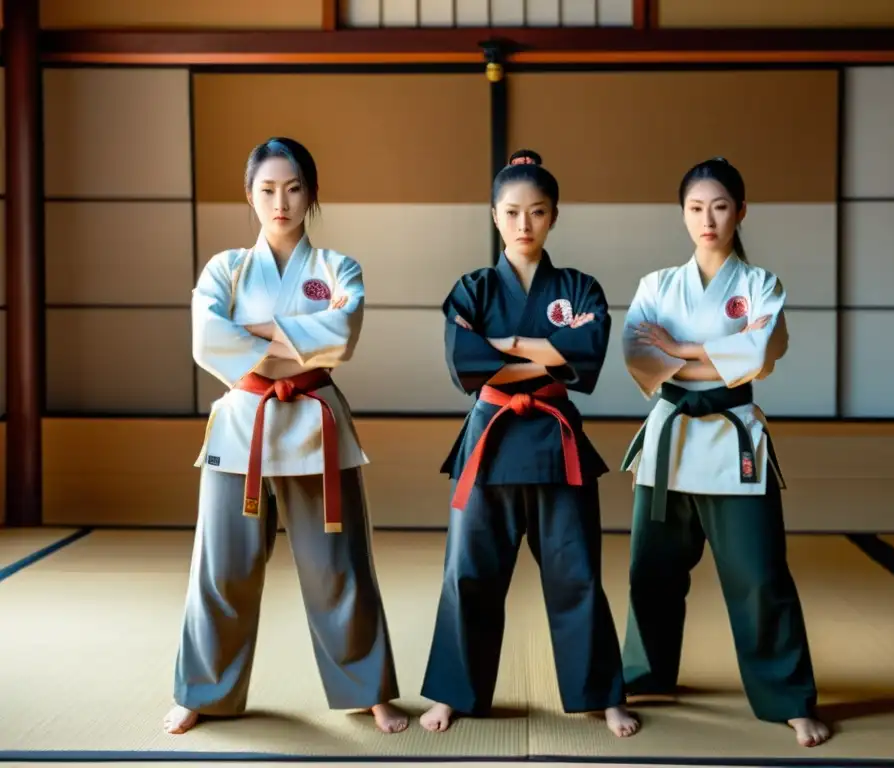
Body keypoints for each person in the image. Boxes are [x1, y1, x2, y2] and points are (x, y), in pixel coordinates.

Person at [163, 137, 408, 736]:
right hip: (243, 422)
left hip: (315, 426)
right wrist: (295, 338)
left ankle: (369, 690)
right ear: (250, 196)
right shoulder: (226, 267)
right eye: (268, 190)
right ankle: (202, 691)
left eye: (294, 189)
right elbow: (206, 342)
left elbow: (340, 339)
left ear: (311, 194)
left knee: (338, 567)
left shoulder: (337, 268)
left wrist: (254, 332)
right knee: (222, 567)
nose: (281, 202)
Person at [417, 150, 638, 738]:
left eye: (536, 212)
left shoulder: (579, 287)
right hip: (489, 443)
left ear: (554, 217)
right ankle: (452, 693)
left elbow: (586, 352)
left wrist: (506, 344)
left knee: (578, 573)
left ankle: (602, 693)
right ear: (494, 215)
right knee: (469, 573)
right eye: (512, 212)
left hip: (555, 444)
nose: (523, 224)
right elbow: (466, 362)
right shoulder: (473, 288)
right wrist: (544, 349)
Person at [619, 157, 830, 748]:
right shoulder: (656, 285)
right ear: (682, 213)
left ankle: (787, 697)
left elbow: (760, 354)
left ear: (740, 210)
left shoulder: (761, 285)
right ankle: (645, 673)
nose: (707, 219)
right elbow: (640, 356)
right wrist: (717, 352)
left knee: (760, 576)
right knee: (650, 572)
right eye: (695, 207)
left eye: (718, 206)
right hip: (669, 440)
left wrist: (681, 348)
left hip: (734, 439)